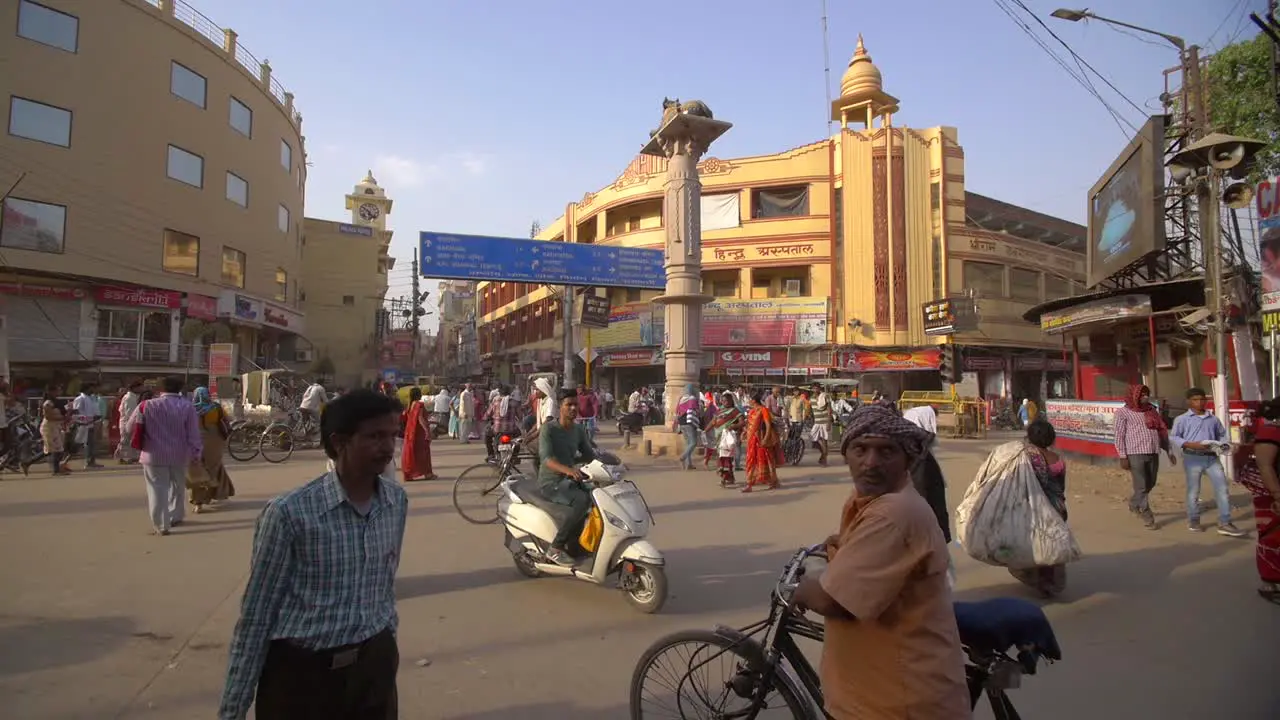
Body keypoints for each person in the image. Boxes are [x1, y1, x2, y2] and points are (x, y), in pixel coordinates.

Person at [219, 390, 407, 720]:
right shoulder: (289, 513)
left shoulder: (395, 502)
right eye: (375, 436)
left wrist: (385, 643)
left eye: (392, 435)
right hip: (304, 678)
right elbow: (257, 615)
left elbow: (384, 585)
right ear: (339, 443)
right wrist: (233, 708)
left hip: (373, 670)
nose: (388, 447)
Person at [793, 404, 970, 719]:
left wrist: (799, 590)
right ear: (846, 453)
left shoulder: (892, 514)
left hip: (893, 702)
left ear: (907, 461)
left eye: (886, 451)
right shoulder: (868, 499)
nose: (871, 462)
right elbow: (851, 544)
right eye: (860, 449)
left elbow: (835, 602)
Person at [1169, 387, 1247, 536]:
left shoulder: (1213, 419)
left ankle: (1225, 522)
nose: (1199, 403)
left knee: (1222, 489)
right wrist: (1191, 444)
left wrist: (1224, 445)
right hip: (1192, 457)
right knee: (1194, 491)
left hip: (1212, 458)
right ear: (1188, 402)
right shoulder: (1182, 419)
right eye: (1195, 400)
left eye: (1202, 399)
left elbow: (1222, 435)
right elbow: (1174, 437)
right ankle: (1194, 520)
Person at [1007, 420, 1070, 597]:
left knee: (1032, 543)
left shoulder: (1024, 457)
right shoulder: (1057, 459)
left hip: (1031, 508)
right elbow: (1060, 486)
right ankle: (1051, 583)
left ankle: (1034, 577)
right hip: (1055, 508)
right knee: (1051, 544)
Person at [136, 376, 202, 536]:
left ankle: (161, 525)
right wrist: (196, 453)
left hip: (153, 454)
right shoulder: (187, 407)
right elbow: (193, 434)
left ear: (160, 389)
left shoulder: (146, 405)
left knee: (157, 489)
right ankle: (176, 515)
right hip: (179, 454)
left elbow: (131, 427)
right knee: (177, 486)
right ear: (180, 388)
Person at [537, 391, 596, 567]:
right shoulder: (549, 429)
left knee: (597, 496)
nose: (572, 408)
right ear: (560, 407)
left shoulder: (578, 429)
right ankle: (556, 547)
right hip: (551, 482)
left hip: (570, 479)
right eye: (568, 404)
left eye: (575, 405)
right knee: (581, 501)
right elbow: (546, 459)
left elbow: (589, 454)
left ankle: (576, 543)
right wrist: (569, 470)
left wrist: (611, 463)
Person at [1114, 383, 1176, 529]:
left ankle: (1134, 503)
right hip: (1135, 453)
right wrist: (1123, 456)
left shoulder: (1151, 410)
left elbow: (1161, 431)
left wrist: (1169, 451)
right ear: (1134, 396)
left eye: (1147, 394)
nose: (1145, 397)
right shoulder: (1122, 413)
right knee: (1141, 486)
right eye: (1142, 394)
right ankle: (1147, 515)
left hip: (1153, 451)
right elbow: (1119, 435)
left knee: (1151, 482)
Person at [1238, 398, 1280, 603]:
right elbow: (1265, 466)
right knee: (1272, 536)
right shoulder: (1270, 433)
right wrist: (1277, 496)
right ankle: (1270, 583)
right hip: (1271, 494)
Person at [188, 387, 235, 513]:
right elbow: (228, 419)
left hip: (195, 440)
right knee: (213, 468)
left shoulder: (190, 409)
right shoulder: (215, 407)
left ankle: (198, 502)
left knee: (198, 470)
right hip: (215, 440)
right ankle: (214, 494)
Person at [743, 390, 781, 493]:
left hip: (761, 438)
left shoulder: (763, 410)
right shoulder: (751, 411)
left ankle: (773, 481)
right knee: (751, 460)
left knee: (767, 460)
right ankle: (749, 484)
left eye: (749, 400)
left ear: (753, 400)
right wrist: (744, 432)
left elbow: (768, 425)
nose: (748, 402)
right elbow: (749, 425)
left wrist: (765, 439)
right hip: (752, 440)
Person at [400, 387, 437, 482]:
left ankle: (409, 474)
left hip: (410, 432)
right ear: (418, 394)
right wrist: (427, 431)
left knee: (411, 453)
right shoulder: (419, 405)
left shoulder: (409, 405)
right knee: (423, 453)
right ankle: (428, 474)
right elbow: (420, 419)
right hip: (418, 432)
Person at [37, 389, 71, 476]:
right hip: (48, 428)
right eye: (56, 391)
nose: (58, 393)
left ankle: (58, 468)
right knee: (54, 450)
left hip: (55, 428)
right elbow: (48, 417)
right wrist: (62, 419)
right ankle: (56, 470)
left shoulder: (56, 402)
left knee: (59, 449)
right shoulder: (47, 403)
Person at [71, 383, 104, 469]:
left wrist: (95, 417)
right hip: (82, 425)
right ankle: (66, 460)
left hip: (90, 424)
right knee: (78, 445)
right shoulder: (80, 399)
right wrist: (84, 420)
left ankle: (90, 462)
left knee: (91, 444)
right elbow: (76, 412)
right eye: (91, 388)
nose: (92, 390)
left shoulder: (90, 399)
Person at [483, 385, 520, 462]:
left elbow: (488, 414)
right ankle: (515, 456)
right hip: (511, 430)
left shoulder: (495, 401)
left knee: (487, 435)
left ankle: (491, 454)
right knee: (518, 438)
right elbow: (520, 416)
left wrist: (485, 417)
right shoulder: (514, 402)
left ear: (499, 392)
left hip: (497, 429)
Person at [674, 384, 701, 470]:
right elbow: (696, 410)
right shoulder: (692, 398)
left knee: (688, 443)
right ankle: (683, 457)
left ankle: (689, 464)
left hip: (681, 423)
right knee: (693, 443)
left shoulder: (681, 399)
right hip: (689, 422)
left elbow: (676, 410)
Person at [116, 381, 142, 464]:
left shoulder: (132, 397)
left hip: (129, 422)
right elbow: (129, 413)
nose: (141, 389)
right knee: (125, 441)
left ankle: (130, 457)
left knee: (129, 441)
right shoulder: (129, 398)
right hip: (127, 422)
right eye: (140, 387)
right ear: (134, 388)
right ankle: (122, 458)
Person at [716, 415, 743, 488]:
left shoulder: (736, 412)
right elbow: (713, 422)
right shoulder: (721, 412)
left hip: (728, 446)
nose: (725, 402)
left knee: (726, 464)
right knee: (725, 463)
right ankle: (730, 478)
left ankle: (724, 479)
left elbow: (742, 422)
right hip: (722, 445)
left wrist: (734, 426)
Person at [812, 390, 834, 466]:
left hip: (824, 422)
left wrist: (828, 422)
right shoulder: (812, 398)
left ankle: (824, 459)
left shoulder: (825, 396)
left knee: (824, 441)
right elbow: (812, 410)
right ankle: (823, 454)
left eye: (816, 388)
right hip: (816, 422)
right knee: (814, 440)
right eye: (813, 388)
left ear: (819, 388)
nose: (815, 390)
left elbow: (829, 410)